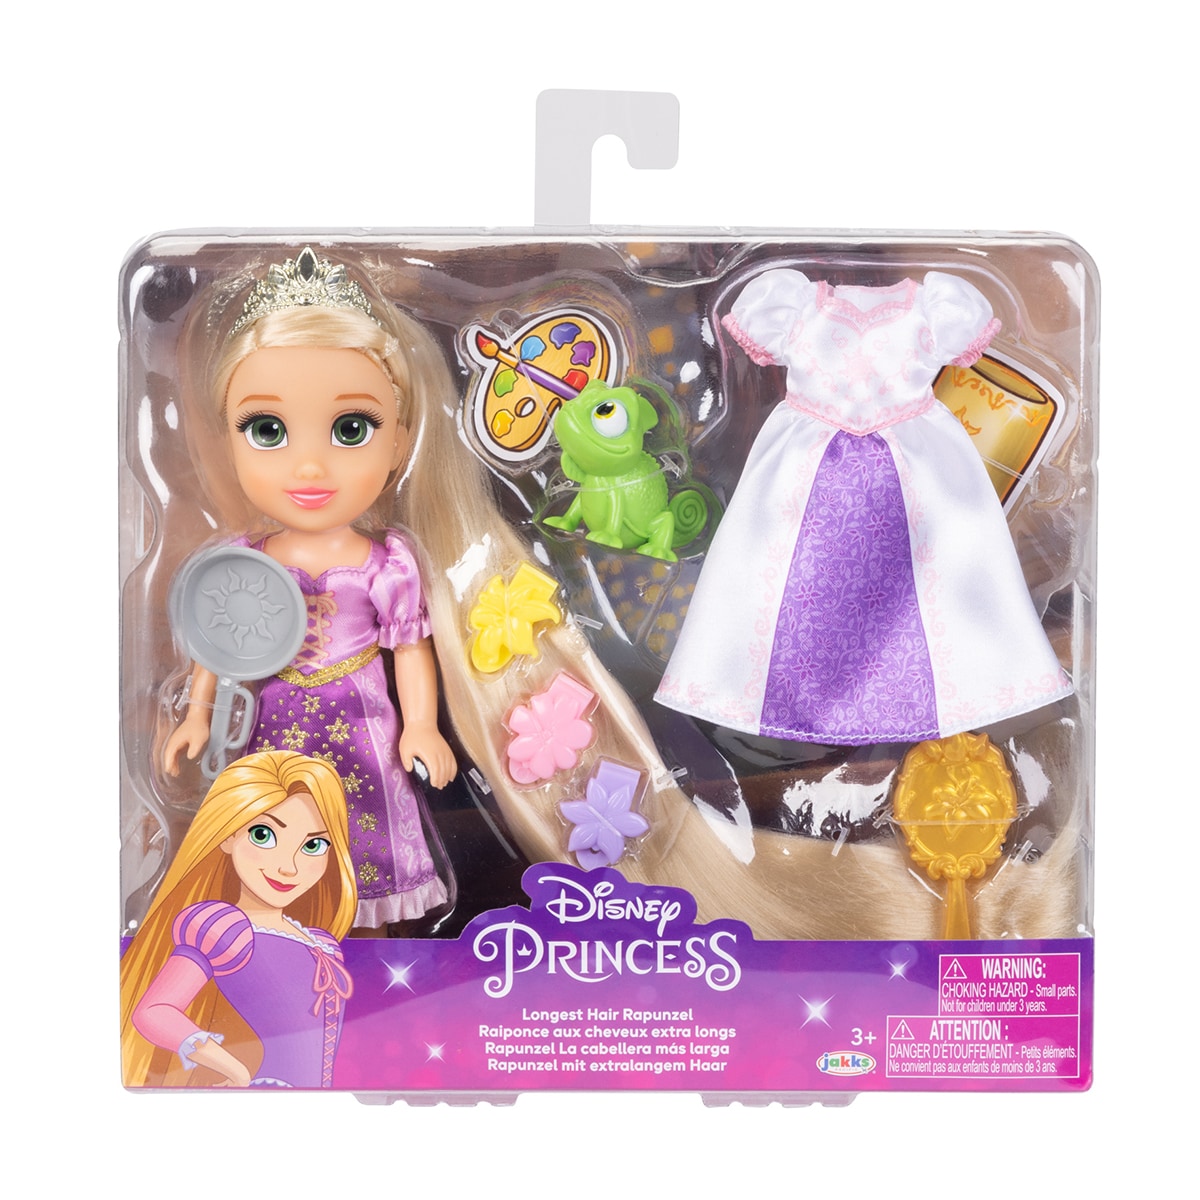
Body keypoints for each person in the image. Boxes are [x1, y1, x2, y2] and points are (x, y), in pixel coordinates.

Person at [121, 751, 355, 1088]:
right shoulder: (225, 928)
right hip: (262, 1091)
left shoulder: (322, 942)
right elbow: (154, 1010)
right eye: (263, 835)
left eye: (314, 845)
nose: (288, 867)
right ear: (229, 836)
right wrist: (234, 1069)